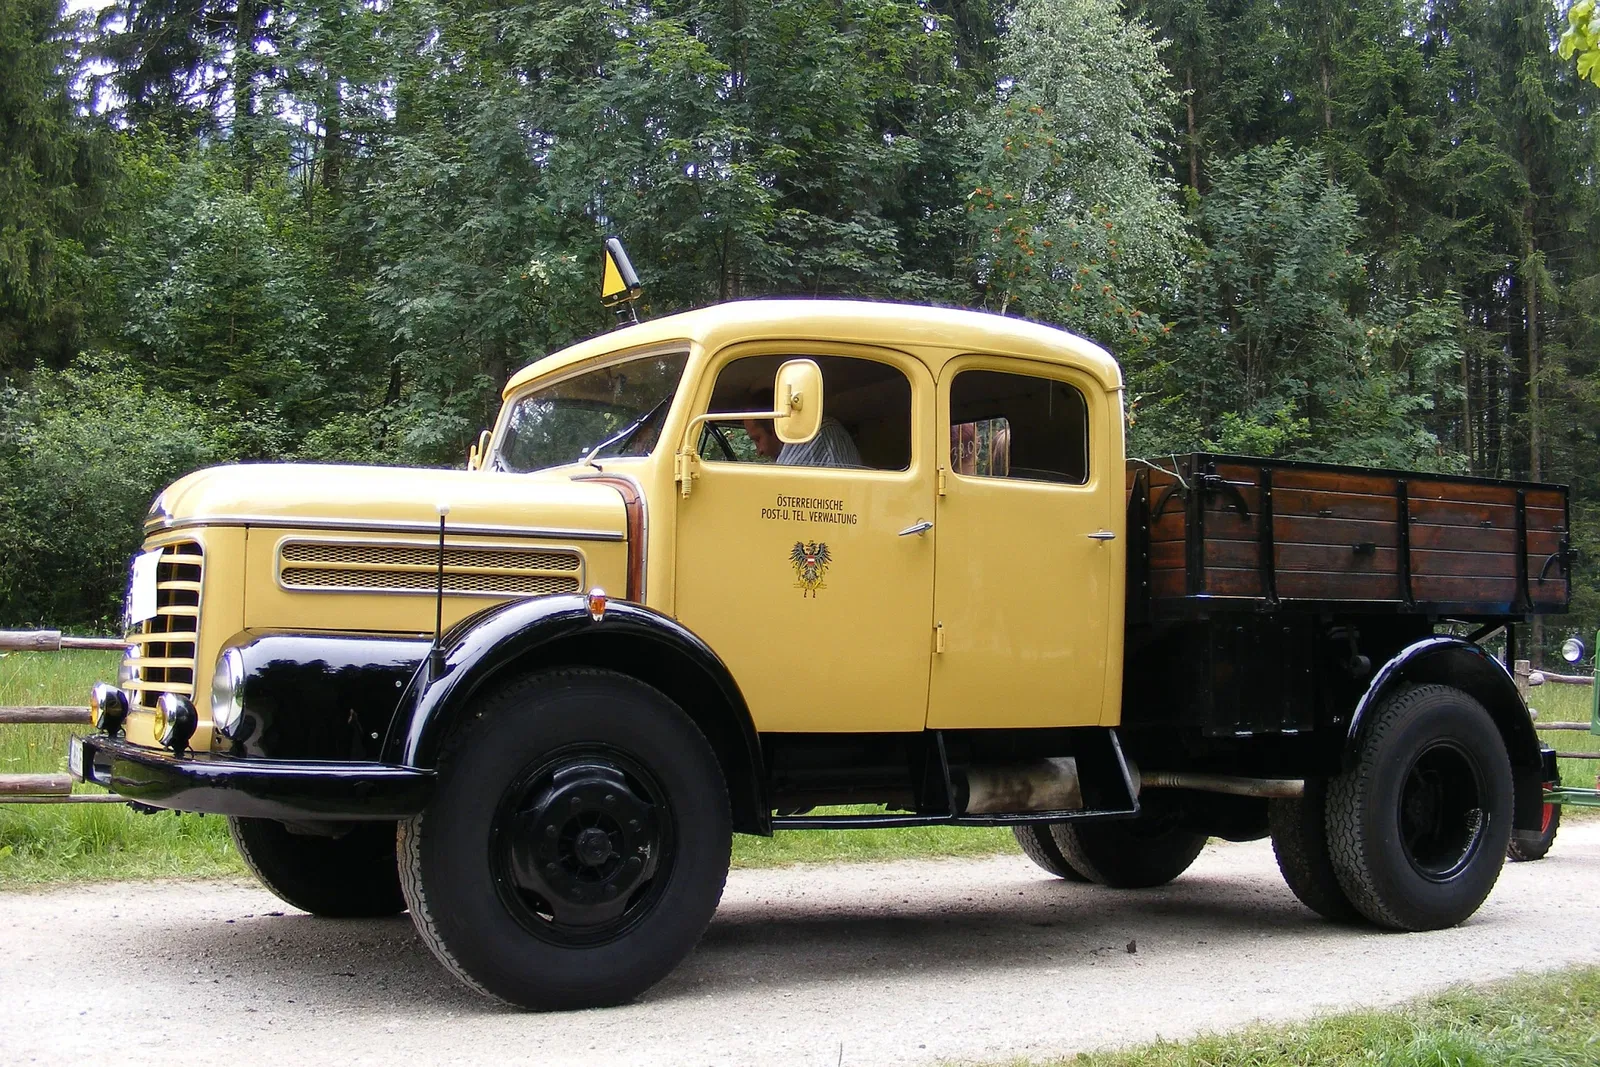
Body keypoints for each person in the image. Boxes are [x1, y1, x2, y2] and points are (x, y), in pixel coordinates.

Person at [742, 413, 862, 467]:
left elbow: (777, 490)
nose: (759, 451)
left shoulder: (815, 434)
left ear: (775, 426)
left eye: (758, 439)